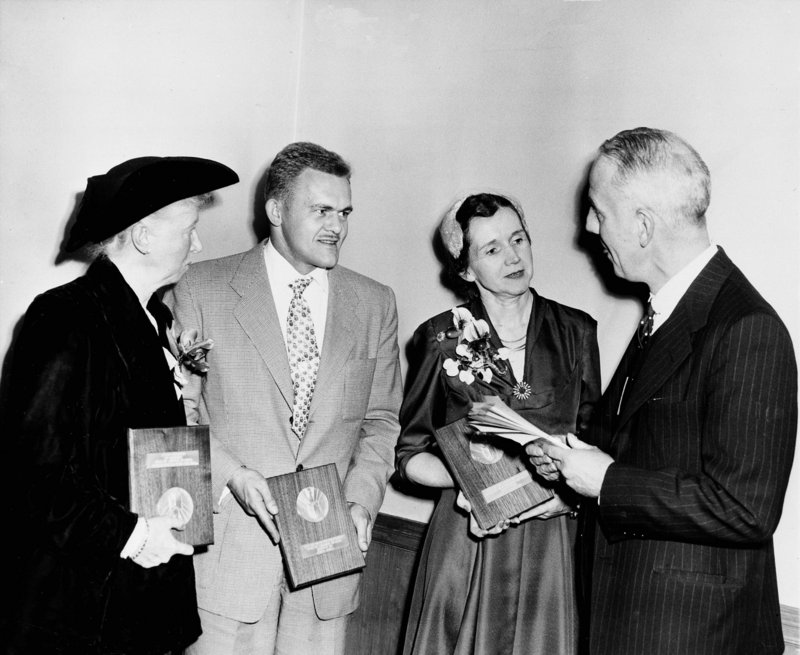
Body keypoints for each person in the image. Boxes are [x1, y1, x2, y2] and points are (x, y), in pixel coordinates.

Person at [527, 127, 798, 654]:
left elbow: (745, 507)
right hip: (634, 621)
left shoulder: (746, 327)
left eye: (600, 212)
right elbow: (643, 448)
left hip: (692, 634)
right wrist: (570, 462)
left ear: (644, 226)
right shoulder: (668, 311)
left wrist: (605, 481)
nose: (588, 227)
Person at [165, 142, 402, 655]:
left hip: (327, 564)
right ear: (276, 210)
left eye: (344, 212)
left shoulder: (375, 302)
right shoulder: (199, 289)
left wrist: (362, 500)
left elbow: (382, 420)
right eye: (320, 210)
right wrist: (233, 478)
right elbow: (178, 417)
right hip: (230, 557)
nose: (336, 226)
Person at [1, 156, 239, 654]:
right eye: (190, 229)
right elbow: (34, 473)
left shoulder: (155, 316)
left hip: (143, 606)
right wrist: (132, 536)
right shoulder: (64, 317)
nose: (198, 243)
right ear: (144, 236)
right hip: (84, 611)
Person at [395, 192, 601, 654]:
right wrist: (469, 482)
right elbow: (408, 455)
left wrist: (565, 500)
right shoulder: (440, 338)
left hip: (550, 540)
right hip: (468, 544)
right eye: (492, 249)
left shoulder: (577, 331)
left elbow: (596, 444)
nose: (513, 257)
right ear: (465, 268)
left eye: (519, 239)